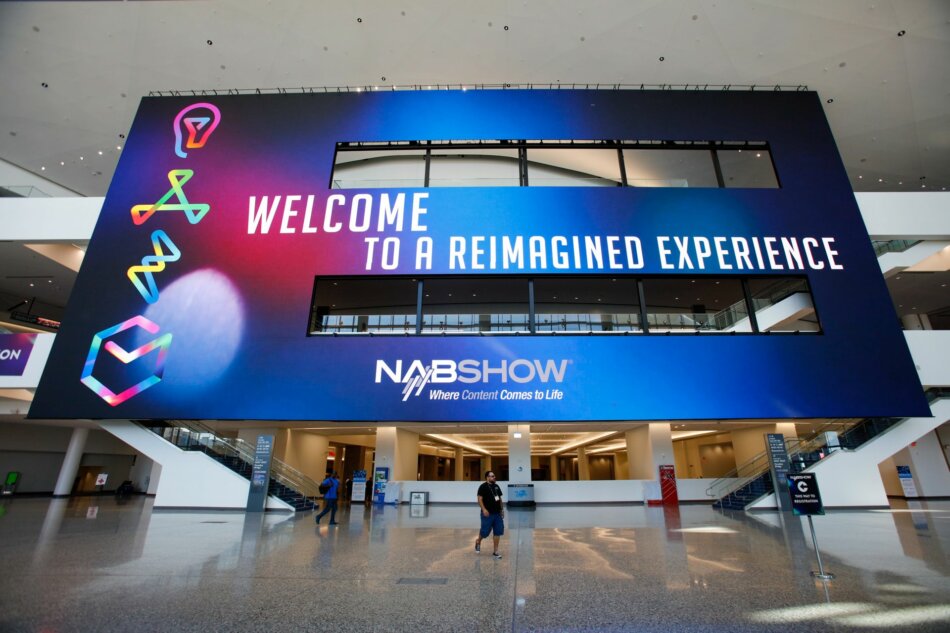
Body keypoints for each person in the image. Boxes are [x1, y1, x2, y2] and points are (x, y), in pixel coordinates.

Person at [475, 470, 504, 559]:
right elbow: (479, 499)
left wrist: (501, 509)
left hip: (497, 513)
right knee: (485, 532)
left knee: (498, 531)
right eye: (492, 476)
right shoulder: (483, 487)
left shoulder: (496, 486)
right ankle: (478, 541)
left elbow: (499, 499)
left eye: (494, 476)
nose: (494, 477)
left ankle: (495, 551)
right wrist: (484, 509)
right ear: (487, 477)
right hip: (487, 513)